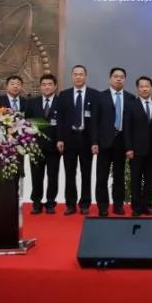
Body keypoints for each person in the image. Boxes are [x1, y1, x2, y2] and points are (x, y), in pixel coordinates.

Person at [93, 67, 137, 216]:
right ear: (110, 79)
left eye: (121, 77)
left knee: (119, 176)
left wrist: (130, 145)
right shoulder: (100, 97)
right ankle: (102, 206)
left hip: (122, 142)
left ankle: (118, 205)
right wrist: (94, 142)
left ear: (125, 80)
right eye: (116, 76)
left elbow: (132, 123)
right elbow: (94, 122)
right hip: (104, 142)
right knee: (102, 176)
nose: (119, 79)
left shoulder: (130, 98)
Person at [55, 64, 96, 215]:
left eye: (81, 74)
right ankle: (70, 204)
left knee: (86, 173)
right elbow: (60, 119)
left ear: (85, 76)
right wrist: (60, 139)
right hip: (69, 140)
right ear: (72, 76)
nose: (78, 77)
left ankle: (85, 203)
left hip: (86, 139)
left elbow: (96, 121)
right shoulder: (64, 95)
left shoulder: (94, 95)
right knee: (70, 173)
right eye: (75, 74)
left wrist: (95, 142)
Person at [26, 73, 60, 214]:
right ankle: (36, 202)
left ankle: (50, 202)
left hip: (54, 146)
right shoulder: (32, 102)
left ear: (55, 86)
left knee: (53, 176)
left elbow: (63, 123)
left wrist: (60, 139)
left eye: (50, 84)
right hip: (36, 146)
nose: (47, 87)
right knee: (36, 176)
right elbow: (27, 122)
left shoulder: (61, 102)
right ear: (40, 87)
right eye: (44, 84)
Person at [125, 76, 152, 217]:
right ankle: (136, 207)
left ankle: (147, 206)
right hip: (136, 149)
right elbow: (127, 128)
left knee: (150, 179)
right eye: (142, 86)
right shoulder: (131, 105)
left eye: (147, 86)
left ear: (151, 88)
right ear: (137, 88)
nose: (144, 89)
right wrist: (129, 148)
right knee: (136, 179)